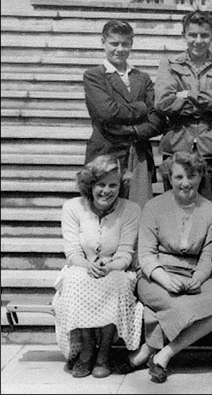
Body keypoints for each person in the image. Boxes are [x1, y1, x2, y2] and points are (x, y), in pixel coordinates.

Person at [130, 152, 212, 383]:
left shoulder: (211, 211)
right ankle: (150, 351)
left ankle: (164, 354)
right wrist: (165, 279)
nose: (185, 182)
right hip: (155, 275)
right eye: (179, 176)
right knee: (176, 303)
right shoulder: (154, 206)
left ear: (200, 177)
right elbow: (146, 255)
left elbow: (208, 256)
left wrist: (199, 278)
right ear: (169, 177)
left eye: (192, 175)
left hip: (191, 274)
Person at [52, 155, 143, 378]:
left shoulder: (131, 210)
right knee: (75, 280)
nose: (106, 191)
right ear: (90, 185)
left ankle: (104, 353)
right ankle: (86, 349)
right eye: (101, 185)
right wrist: (87, 265)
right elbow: (72, 252)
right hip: (81, 266)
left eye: (113, 185)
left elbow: (125, 252)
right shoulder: (72, 207)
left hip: (117, 268)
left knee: (117, 283)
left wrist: (110, 267)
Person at [155, 10, 212, 210]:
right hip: (176, 149)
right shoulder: (170, 65)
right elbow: (164, 103)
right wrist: (209, 100)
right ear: (184, 35)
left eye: (204, 35)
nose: (198, 40)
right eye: (192, 35)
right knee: (174, 211)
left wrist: (188, 94)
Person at [83, 20, 165, 207]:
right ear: (103, 42)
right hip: (105, 152)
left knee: (137, 213)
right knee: (104, 209)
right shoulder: (94, 75)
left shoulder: (141, 78)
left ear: (131, 44)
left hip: (138, 155)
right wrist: (141, 108)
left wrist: (134, 131)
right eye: (114, 43)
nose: (120, 49)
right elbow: (106, 113)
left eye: (125, 44)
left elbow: (157, 119)